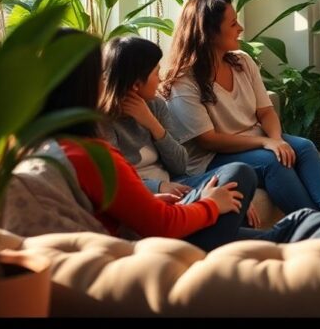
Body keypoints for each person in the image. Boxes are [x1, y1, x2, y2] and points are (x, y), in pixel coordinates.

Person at [40, 30, 320, 252]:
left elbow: (168, 172)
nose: (105, 82)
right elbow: (160, 223)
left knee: (293, 201)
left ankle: (316, 223)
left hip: (165, 212)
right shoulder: (92, 150)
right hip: (165, 239)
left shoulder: (48, 149)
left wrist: (153, 137)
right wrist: (210, 204)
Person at [161, 0, 320, 217]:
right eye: (233, 23)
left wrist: (276, 140)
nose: (241, 28)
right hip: (211, 157)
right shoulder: (184, 82)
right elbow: (208, 140)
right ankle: (317, 225)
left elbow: (266, 111)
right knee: (272, 162)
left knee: (303, 147)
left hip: (253, 141)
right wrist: (265, 143)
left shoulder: (242, 62)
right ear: (208, 32)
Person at [100, 35, 259, 227]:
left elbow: (180, 165)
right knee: (236, 204)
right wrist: (158, 186)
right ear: (136, 84)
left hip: (177, 183)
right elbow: (114, 181)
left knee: (240, 172)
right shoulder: (103, 122)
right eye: (156, 73)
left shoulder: (156, 106)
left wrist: (153, 124)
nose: (160, 79)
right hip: (149, 194)